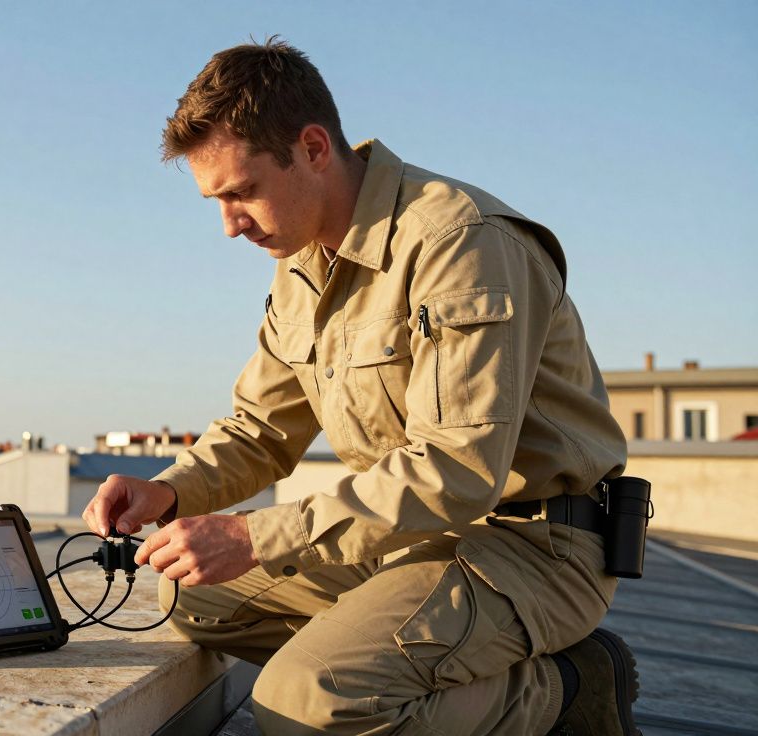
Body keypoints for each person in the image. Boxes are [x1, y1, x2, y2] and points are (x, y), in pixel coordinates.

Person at [82, 38, 639, 735]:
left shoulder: (459, 243)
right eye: (214, 201)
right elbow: (261, 429)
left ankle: (564, 690)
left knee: (306, 702)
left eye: (241, 191)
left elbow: (457, 470)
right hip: (408, 541)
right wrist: (167, 491)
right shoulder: (303, 263)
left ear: (314, 148)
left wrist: (258, 537)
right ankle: (422, 663)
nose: (229, 225)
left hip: (532, 549)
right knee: (194, 598)